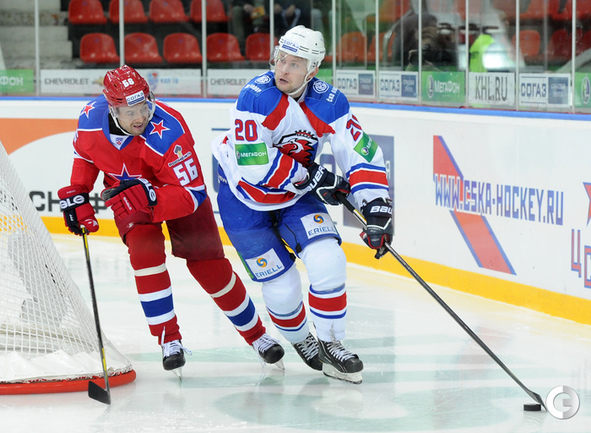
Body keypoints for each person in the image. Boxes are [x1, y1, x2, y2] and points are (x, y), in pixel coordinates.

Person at [57, 65, 284, 375]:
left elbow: (192, 193)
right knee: (145, 253)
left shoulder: (170, 129)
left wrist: (152, 197)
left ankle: (257, 336)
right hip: (128, 195)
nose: (140, 117)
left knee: (209, 266)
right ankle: (169, 340)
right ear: (112, 110)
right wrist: (79, 191)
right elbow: (85, 155)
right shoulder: (89, 121)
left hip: (177, 194)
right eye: (130, 111)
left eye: (144, 106)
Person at [211, 26, 392, 384]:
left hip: (294, 194)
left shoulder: (330, 102)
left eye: (295, 64)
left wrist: (376, 206)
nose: (283, 69)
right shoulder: (255, 96)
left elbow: (359, 151)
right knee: (283, 286)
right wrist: (313, 176)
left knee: (328, 257)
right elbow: (255, 165)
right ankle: (300, 338)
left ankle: (331, 342)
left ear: (313, 70)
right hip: (243, 198)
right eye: (280, 59)